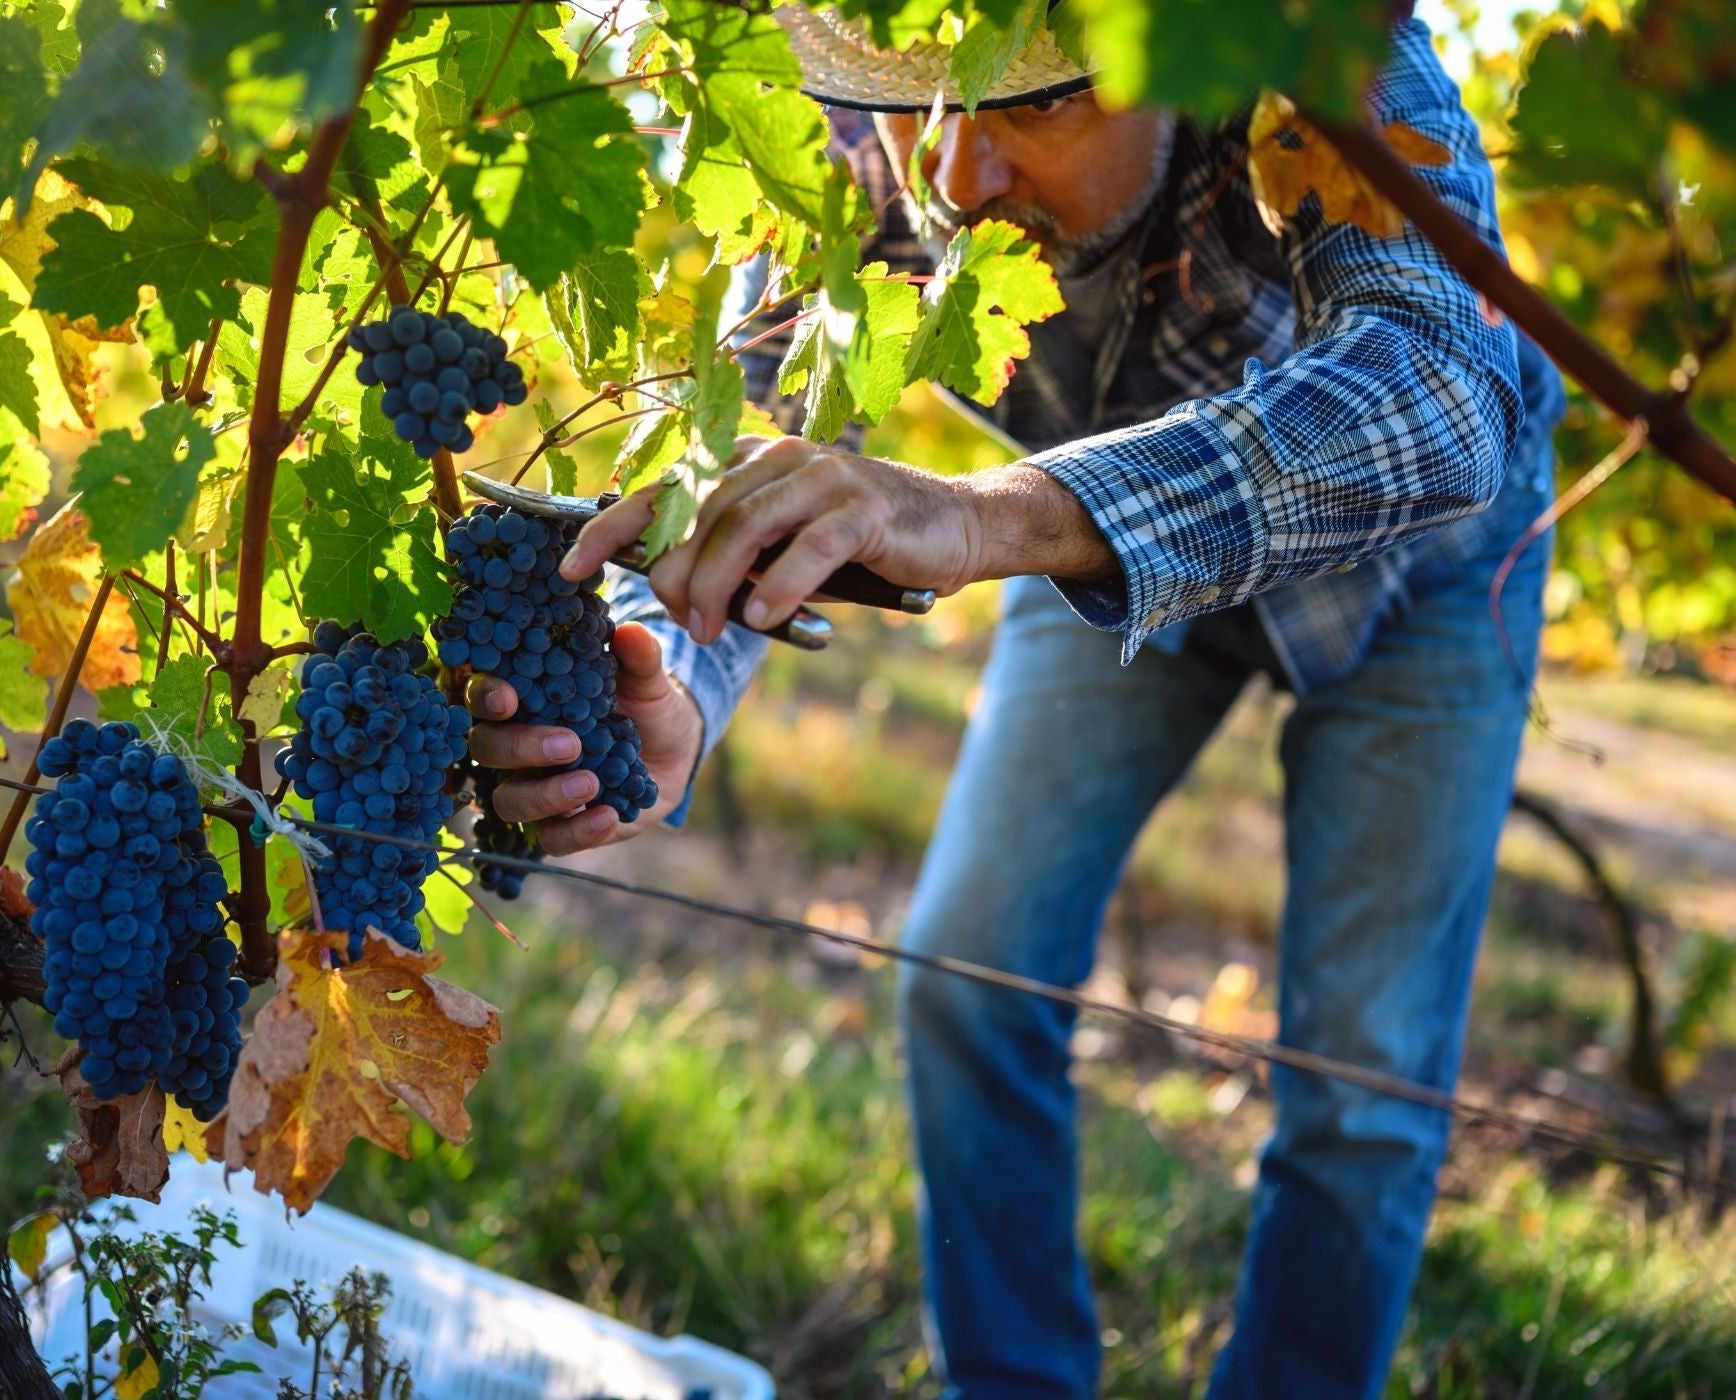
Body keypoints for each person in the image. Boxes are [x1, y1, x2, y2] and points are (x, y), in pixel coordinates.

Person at [464, 9, 1566, 1397]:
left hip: (1427, 581)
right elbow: (747, 429)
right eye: (930, 110)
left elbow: (1441, 392)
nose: (954, 177)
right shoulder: (874, 107)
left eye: (1037, 108)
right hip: (1100, 546)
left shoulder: (1320, 49)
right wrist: (666, 669)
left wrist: (987, 518)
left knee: (1366, 1085)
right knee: (966, 976)